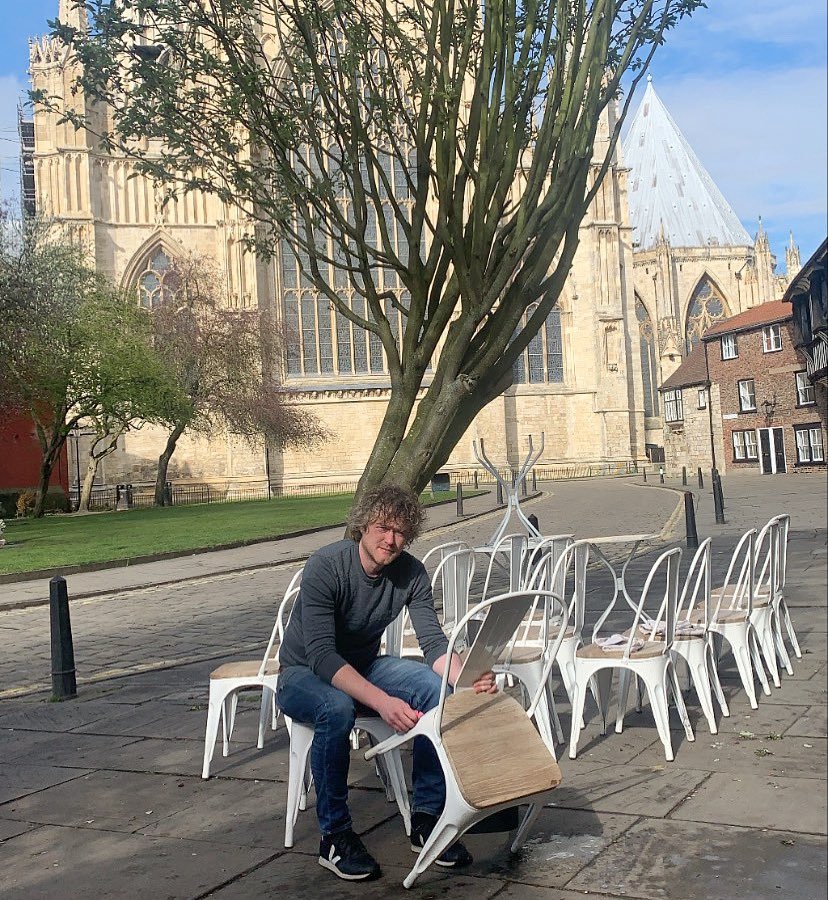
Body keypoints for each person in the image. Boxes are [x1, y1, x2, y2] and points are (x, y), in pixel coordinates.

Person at [277, 483, 497, 881]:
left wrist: (469, 678)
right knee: (335, 707)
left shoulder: (411, 573)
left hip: (363, 666)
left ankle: (428, 818)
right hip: (302, 674)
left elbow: (433, 644)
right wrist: (382, 702)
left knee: (437, 689)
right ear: (363, 525)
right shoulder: (326, 565)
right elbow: (323, 657)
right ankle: (335, 836)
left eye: (401, 533)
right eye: (383, 528)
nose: (391, 540)